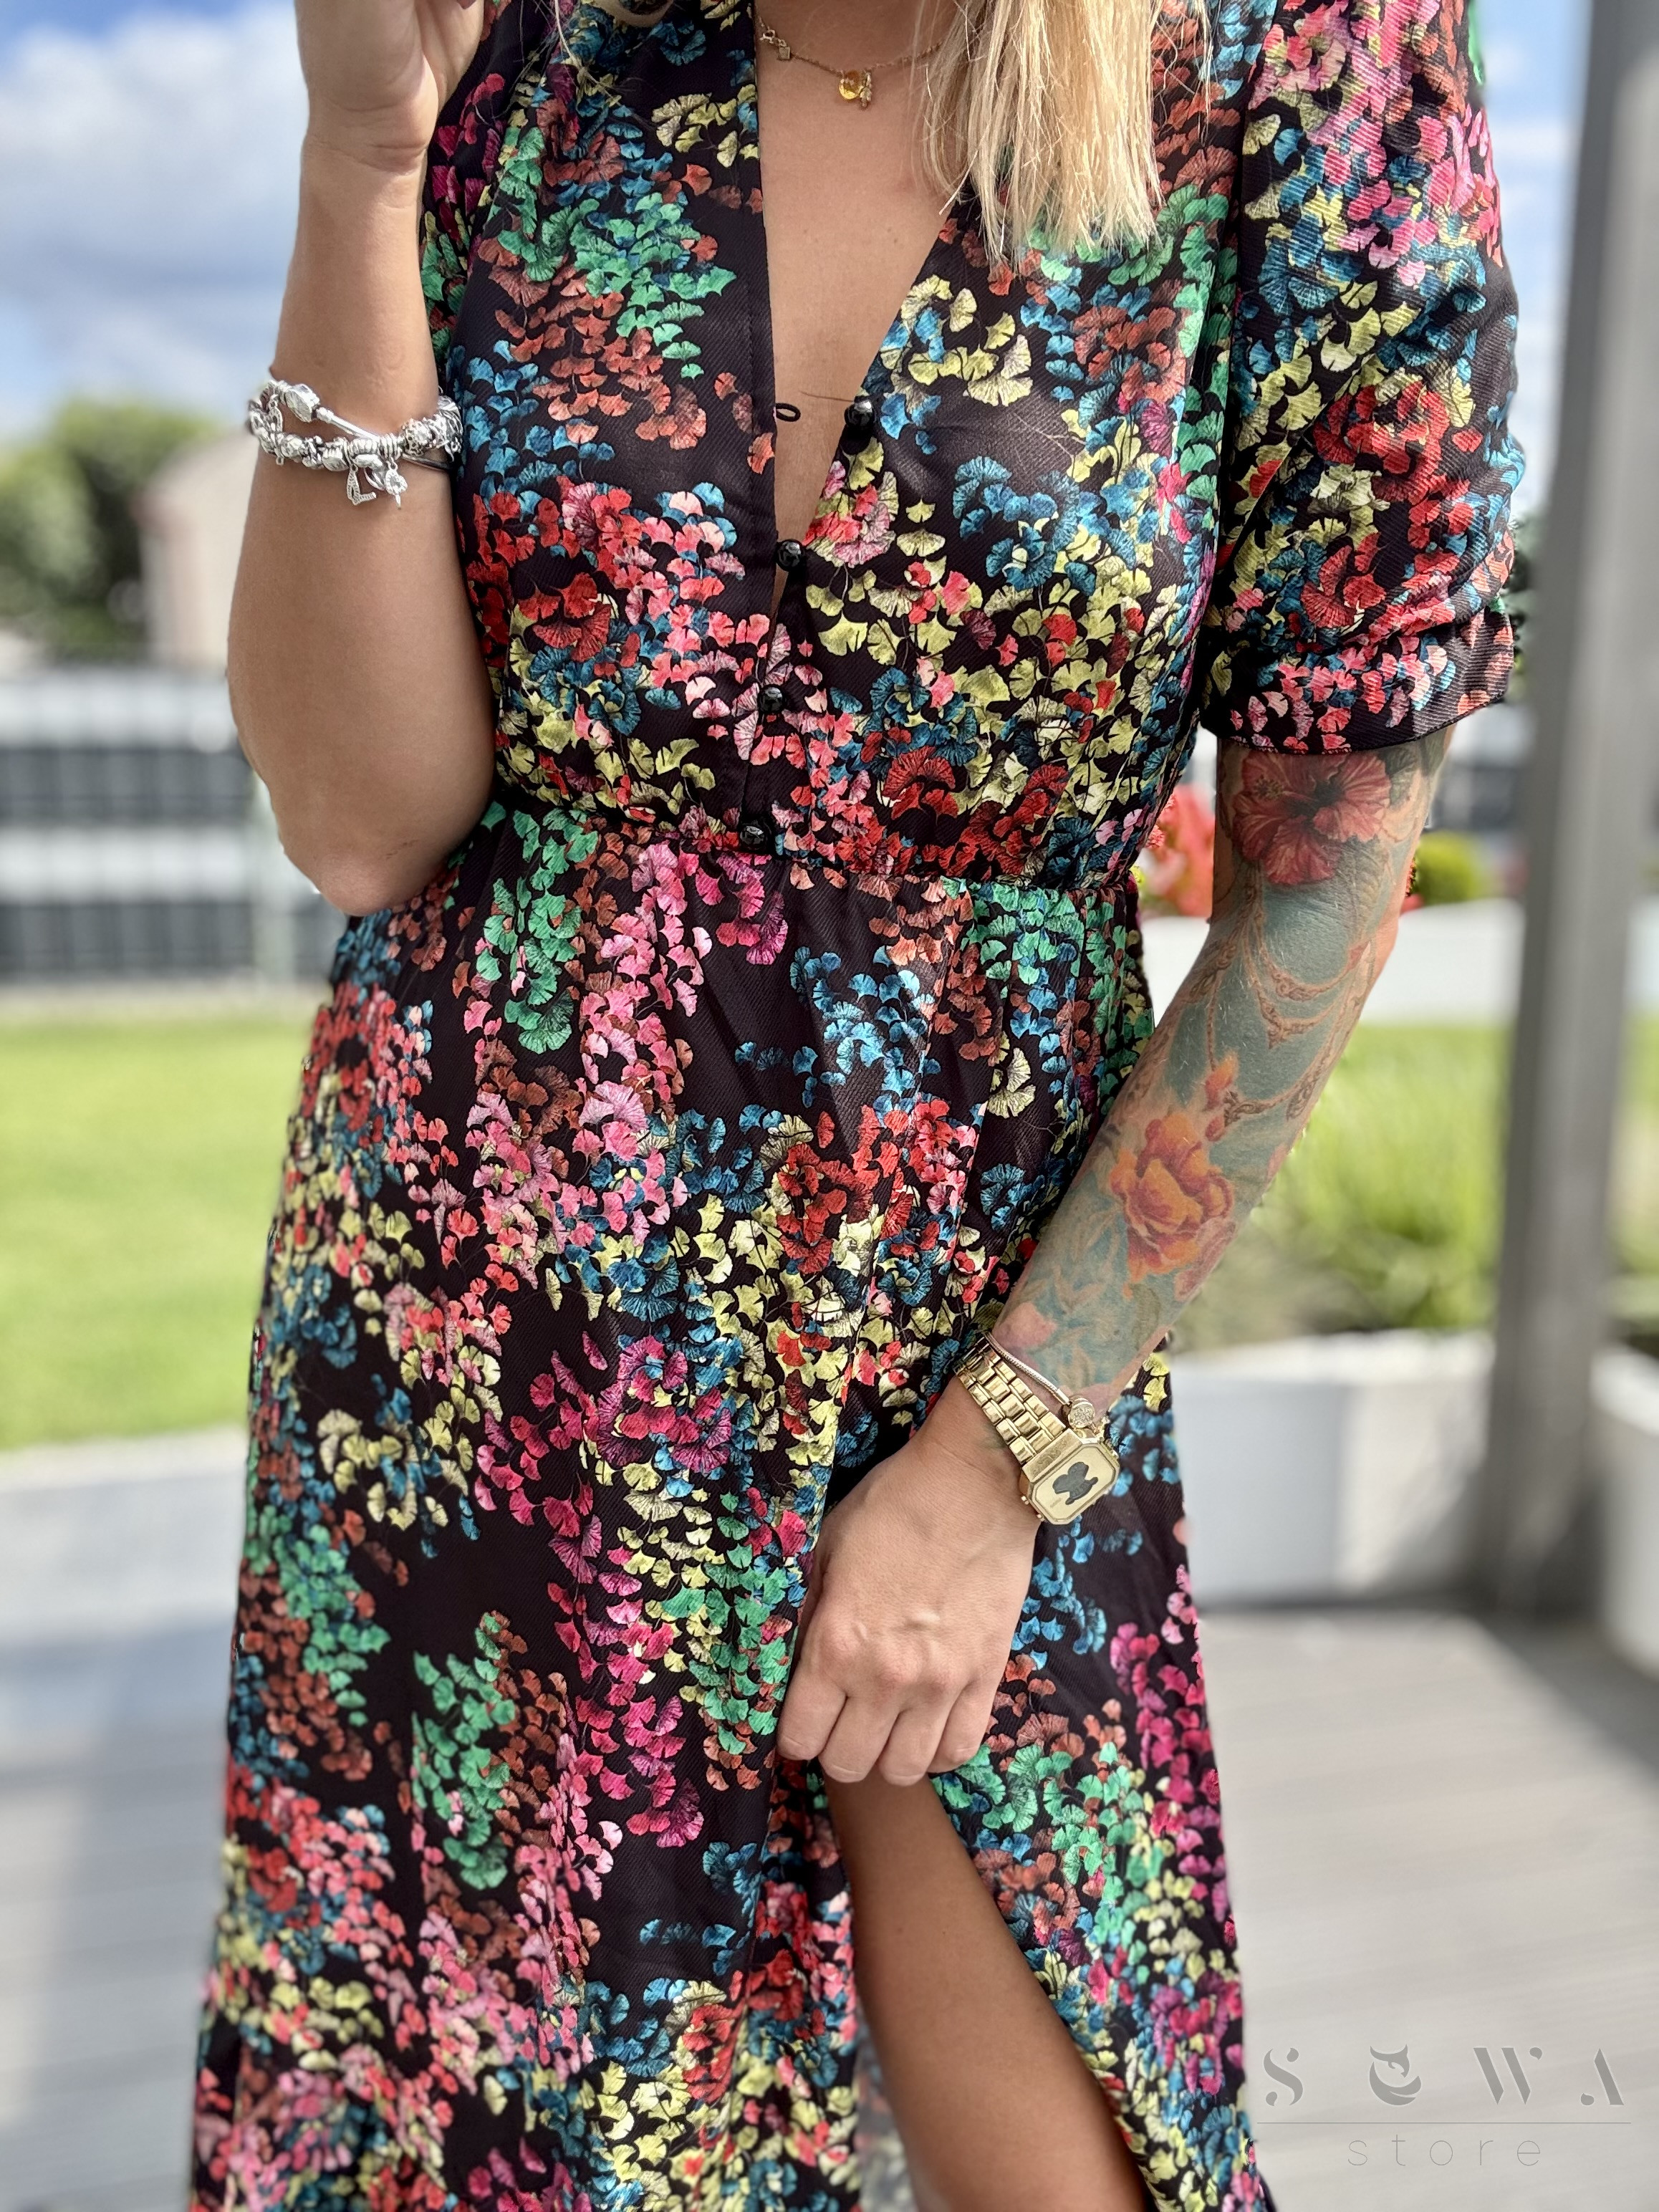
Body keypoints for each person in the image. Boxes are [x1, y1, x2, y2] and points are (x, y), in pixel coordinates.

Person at [192, 0, 1519, 2205]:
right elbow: (358, 822)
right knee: (512, 2146)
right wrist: (360, 164)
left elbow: (1323, 876)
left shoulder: (1311, 61)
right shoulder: (520, 55)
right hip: (480, 1329)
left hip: (973, 1335)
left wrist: (996, 1469)